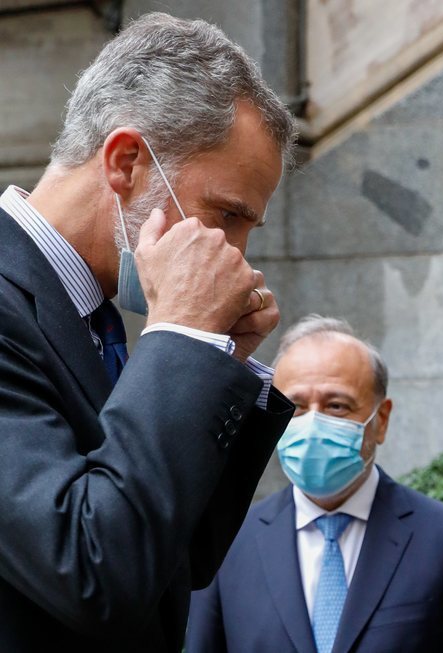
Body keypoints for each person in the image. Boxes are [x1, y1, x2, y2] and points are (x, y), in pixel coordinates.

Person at [0, 13, 297, 652]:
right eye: (226, 214)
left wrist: (218, 362)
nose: (238, 256)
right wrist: (186, 344)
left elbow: (179, 559)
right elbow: (91, 571)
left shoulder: (98, 318)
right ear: (127, 161)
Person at [186, 315, 443, 653]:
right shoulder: (227, 542)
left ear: (380, 420)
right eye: (294, 407)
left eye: (336, 406)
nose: (313, 422)